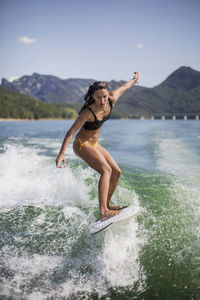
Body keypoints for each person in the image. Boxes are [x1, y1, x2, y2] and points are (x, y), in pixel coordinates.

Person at [56, 72, 139, 221]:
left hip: (94, 143)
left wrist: (133, 80)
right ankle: (103, 212)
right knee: (106, 170)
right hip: (82, 144)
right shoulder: (88, 112)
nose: (102, 100)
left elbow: (124, 87)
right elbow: (70, 132)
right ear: (93, 97)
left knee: (117, 171)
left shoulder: (112, 100)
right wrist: (62, 153)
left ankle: (107, 205)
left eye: (105, 96)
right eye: (99, 97)